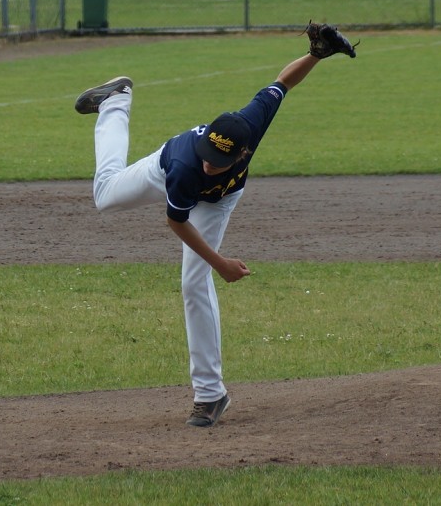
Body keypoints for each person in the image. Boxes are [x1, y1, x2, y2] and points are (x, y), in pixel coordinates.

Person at [74, 23, 357, 427]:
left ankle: (209, 395)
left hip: (220, 200)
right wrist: (220, 263)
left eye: (219, 160)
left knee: (193, 282)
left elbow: (282, 83)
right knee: (105, 196)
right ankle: (115, 102)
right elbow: (176, 222)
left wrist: (316, 55)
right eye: (208, 154)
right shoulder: (188, 166)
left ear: (243, 152)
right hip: (165, 170)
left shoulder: (252, 122)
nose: (210, 163)